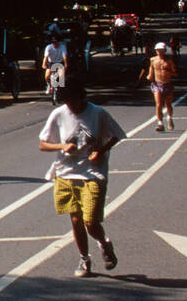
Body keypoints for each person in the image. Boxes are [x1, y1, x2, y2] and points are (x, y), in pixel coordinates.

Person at [38, 79, 125, 277]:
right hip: (66, 174)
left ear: (81, 97)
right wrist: (61, 146)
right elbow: (43, 144)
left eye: (74, 101)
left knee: (91, 221)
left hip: (92, 174)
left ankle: (104, 244)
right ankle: (84, 259)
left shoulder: (98, 113)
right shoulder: (59, 114)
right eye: (67, 102)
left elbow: (115, 135)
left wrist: (101, 151)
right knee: (76, 219)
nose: (71, 106)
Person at [138, 42, 177, 131]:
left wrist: (168, 71)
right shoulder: (153, 60)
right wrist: (149, 77)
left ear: (165, 51)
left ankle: (169, 118)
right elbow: (151, 72)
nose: (160, 52)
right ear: (156, 51)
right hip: (157, 84)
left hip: (168, 84)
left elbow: (175, 73)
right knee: (158, 104)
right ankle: (160, 123)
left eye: (161, 50)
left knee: (168, 104)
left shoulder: (169, 61)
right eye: (158, 50)